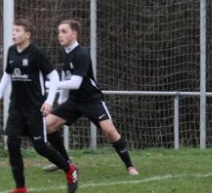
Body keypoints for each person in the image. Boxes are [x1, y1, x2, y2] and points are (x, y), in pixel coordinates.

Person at [39, 20, 138, 176]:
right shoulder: (65, 52)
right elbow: (65, 75)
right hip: (74, 101)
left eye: (64, 31)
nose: (60, 35)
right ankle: (66, 163)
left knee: (109, 131)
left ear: (74, 34)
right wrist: (61, 101)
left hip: (92, 100)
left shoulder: (81, 54)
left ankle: (130, 166)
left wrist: (50, 84)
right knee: (48, 125)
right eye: (59, 32)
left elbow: (75, 83)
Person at [0, 18, 77, 193]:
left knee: (40, 147)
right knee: (12, 144)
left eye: (18, 30)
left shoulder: (36, 54)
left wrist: (49, 102)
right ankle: (20, 189)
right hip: (16, 108)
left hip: (34, 109)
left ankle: (69, 169)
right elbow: (8, 74)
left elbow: (54, 77)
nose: (14, 33)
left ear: (28, 35)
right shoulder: (11, 52)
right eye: (13, 30)